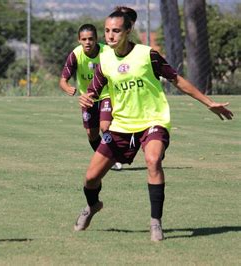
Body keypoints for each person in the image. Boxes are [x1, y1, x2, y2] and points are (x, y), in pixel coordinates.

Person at [74, 10, 233, 241]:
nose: (110, 35)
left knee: (153, 160)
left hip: (153, 120)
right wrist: (87, 97)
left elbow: (176, 80)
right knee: (90, 179)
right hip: (121, 125)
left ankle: (155, 222)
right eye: (107, 30)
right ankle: (93, 205)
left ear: (128, 31)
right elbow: (95, 89)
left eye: (116, 30)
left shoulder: (147, 55)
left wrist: (208, 103)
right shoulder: (105, 58)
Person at [59, 24, 122, 170]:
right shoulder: (75, 55)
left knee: (105, 126)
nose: (88, 42)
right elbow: (63, 80)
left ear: (96, 39)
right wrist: (67, 88)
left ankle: (113, 157)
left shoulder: (108, 52)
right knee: (91, 134)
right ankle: (106, 159)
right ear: (79, 40)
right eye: (84, 39)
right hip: (87, 98)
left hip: (107, 95)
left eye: (91, 39)